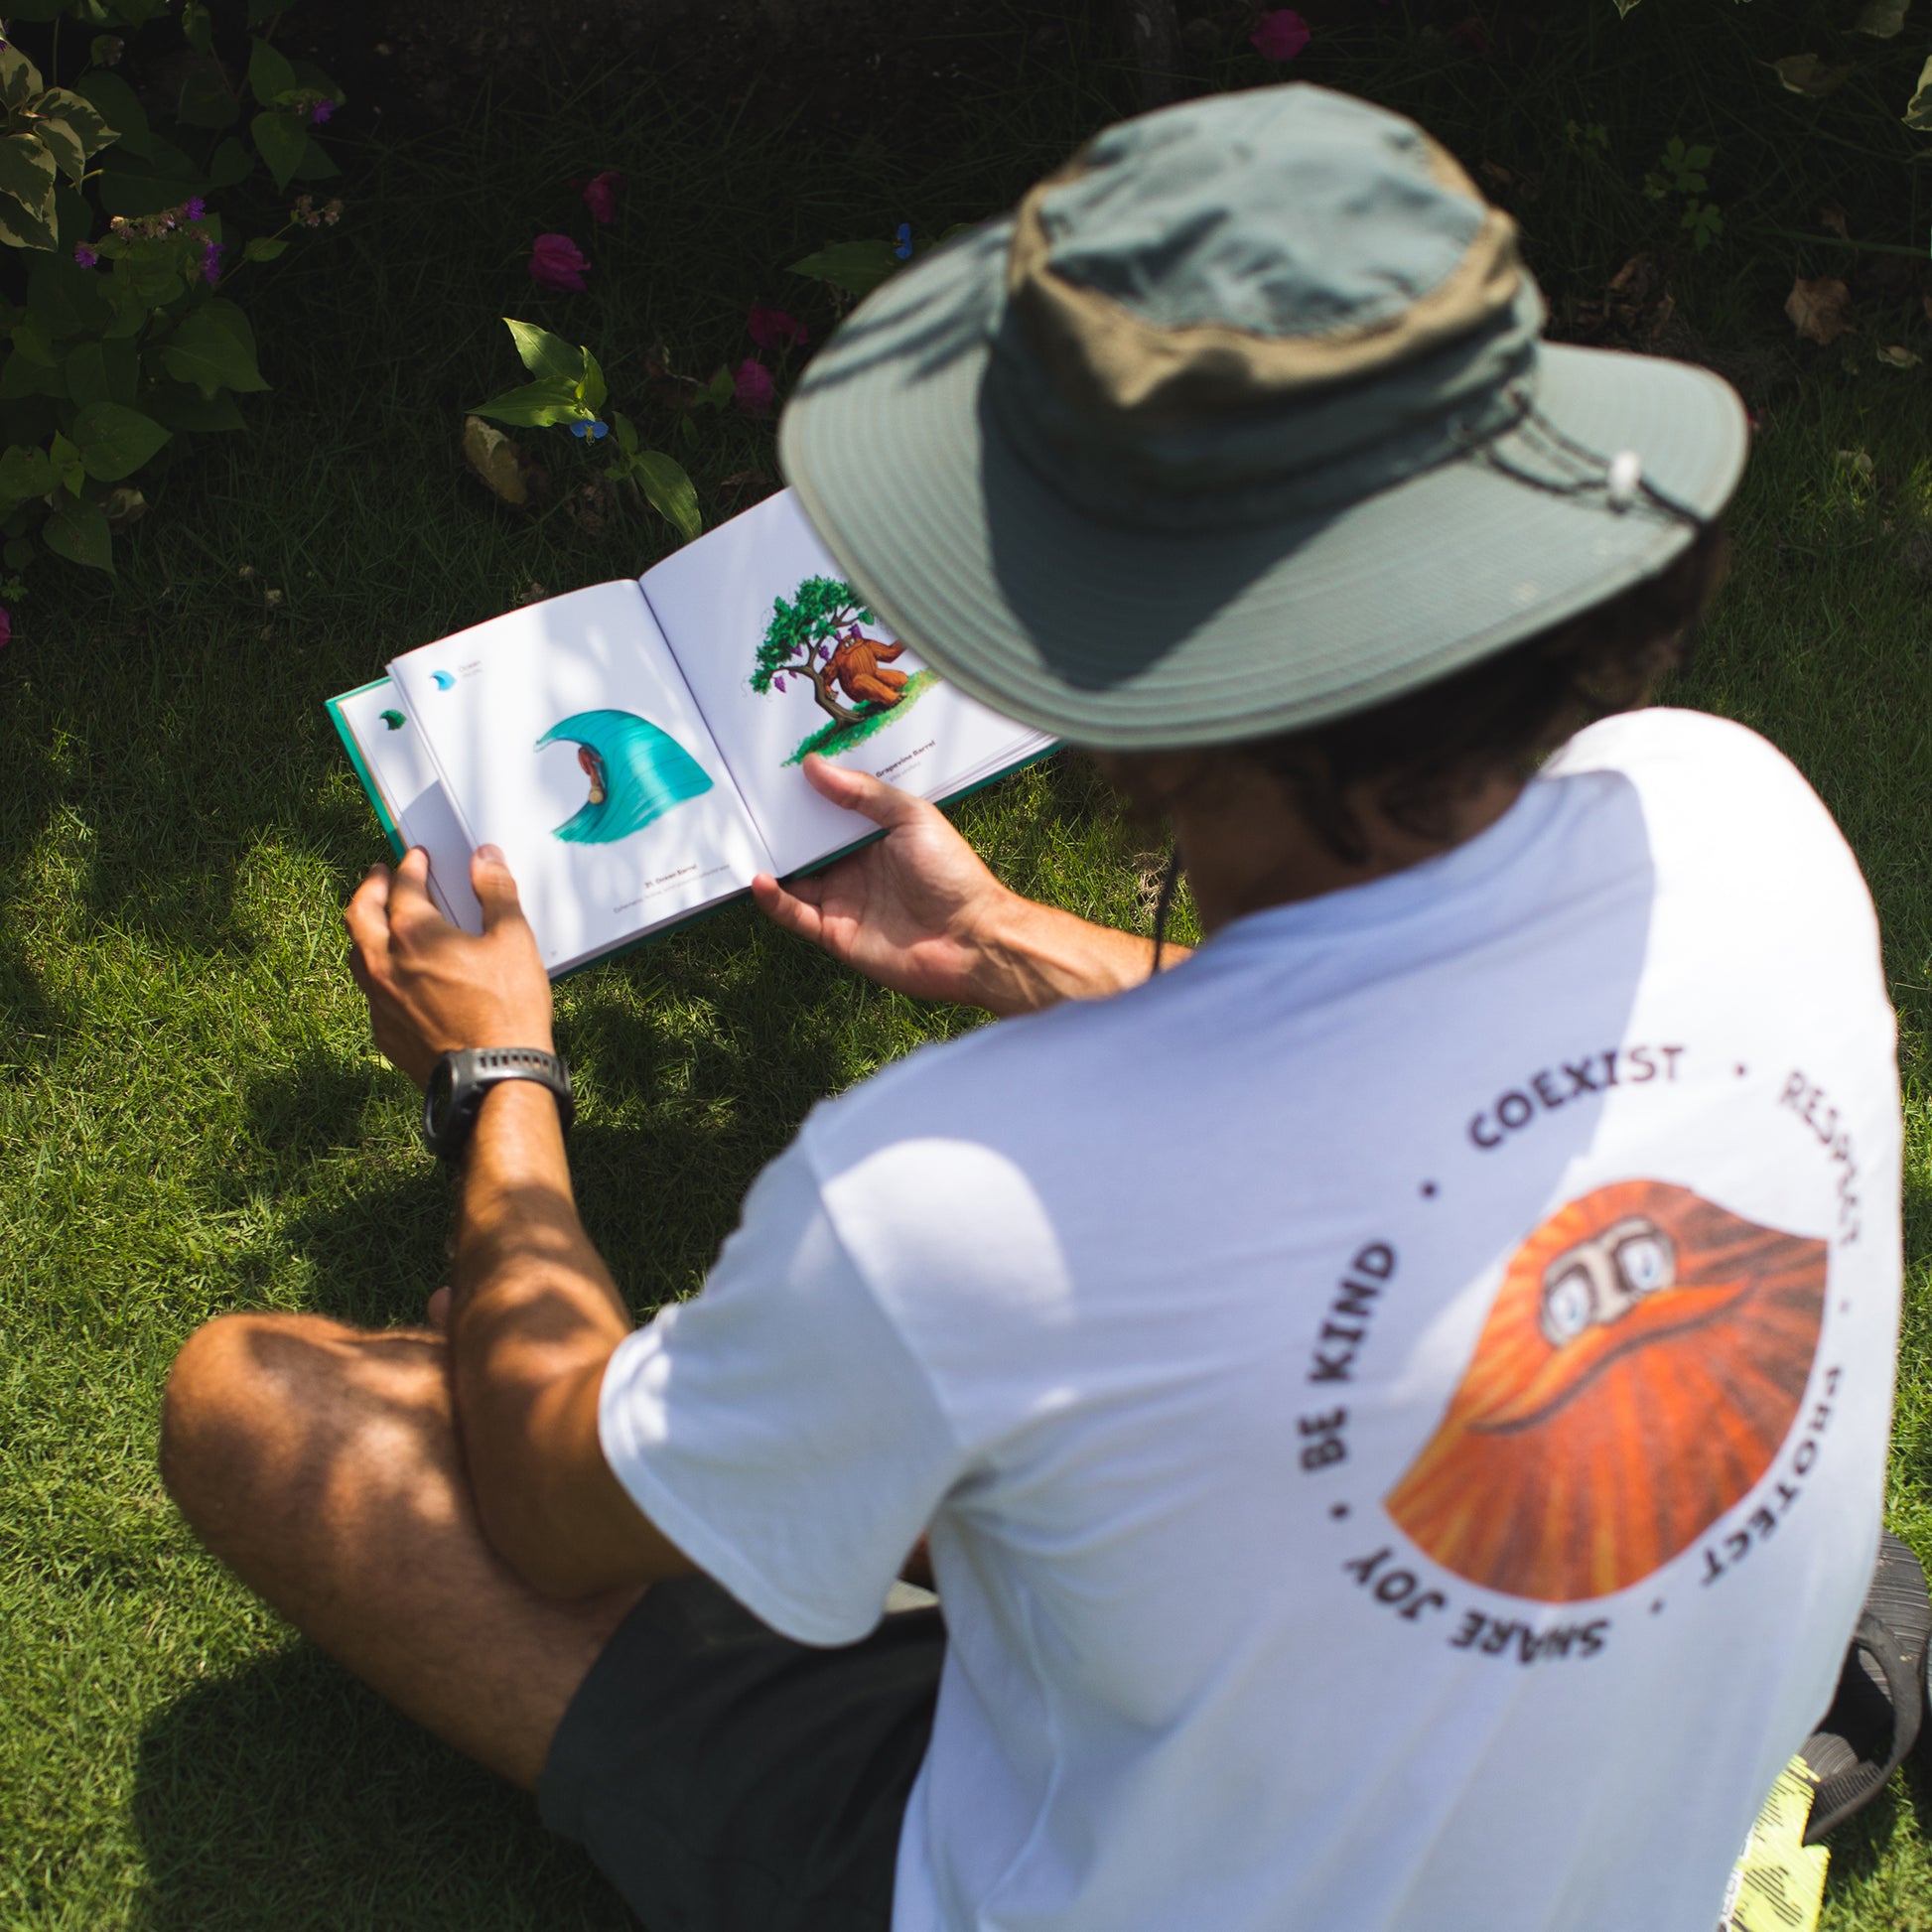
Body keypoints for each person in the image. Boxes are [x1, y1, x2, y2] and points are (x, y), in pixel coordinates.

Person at [159, 83, 1901, 1932]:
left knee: (261, 1402)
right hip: (1599, 1843)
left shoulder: (961, 1202)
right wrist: (1005, 942)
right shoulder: (1736, 821)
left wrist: (494, 1070)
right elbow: (1403, 1078)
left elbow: (544, 1497)